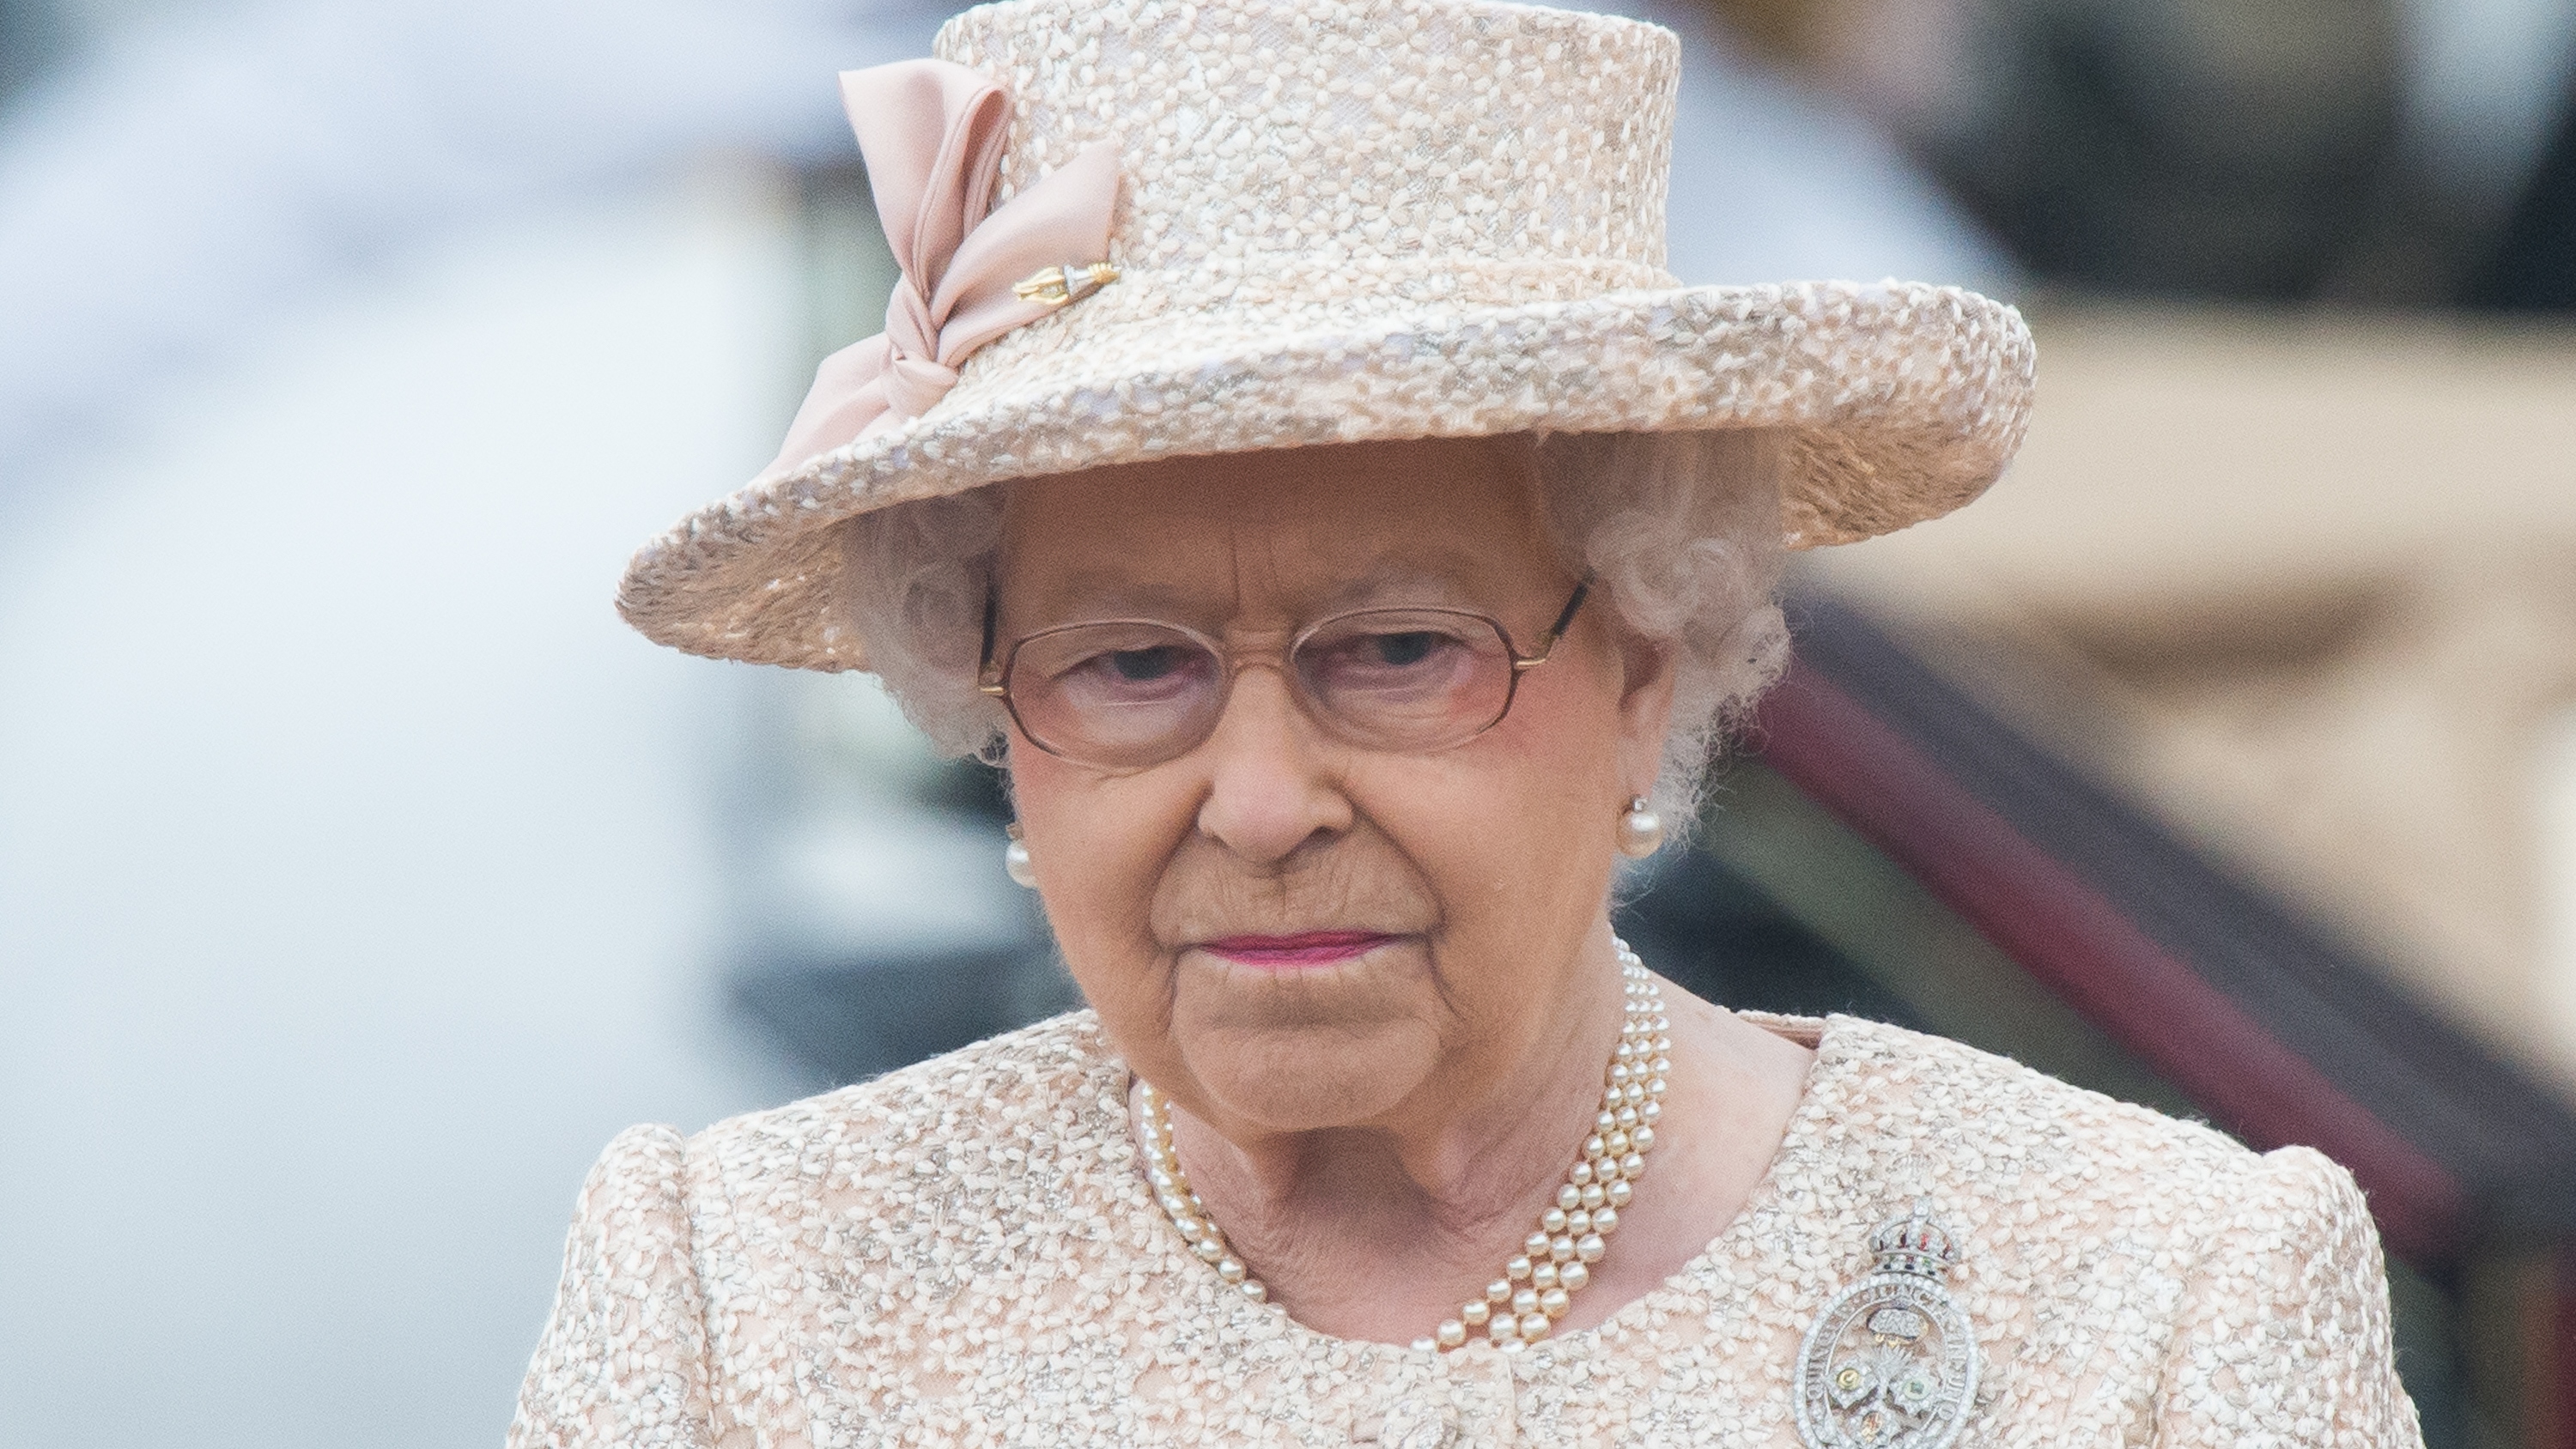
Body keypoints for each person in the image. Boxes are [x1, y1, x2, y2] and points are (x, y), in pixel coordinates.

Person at [509, 0, 2423, 1443]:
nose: (1257, 802)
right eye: (1131, 666)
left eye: (1401, 649)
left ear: (1649, 661)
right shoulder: (738, 1305)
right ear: (987, 710)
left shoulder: (2157, 1306)